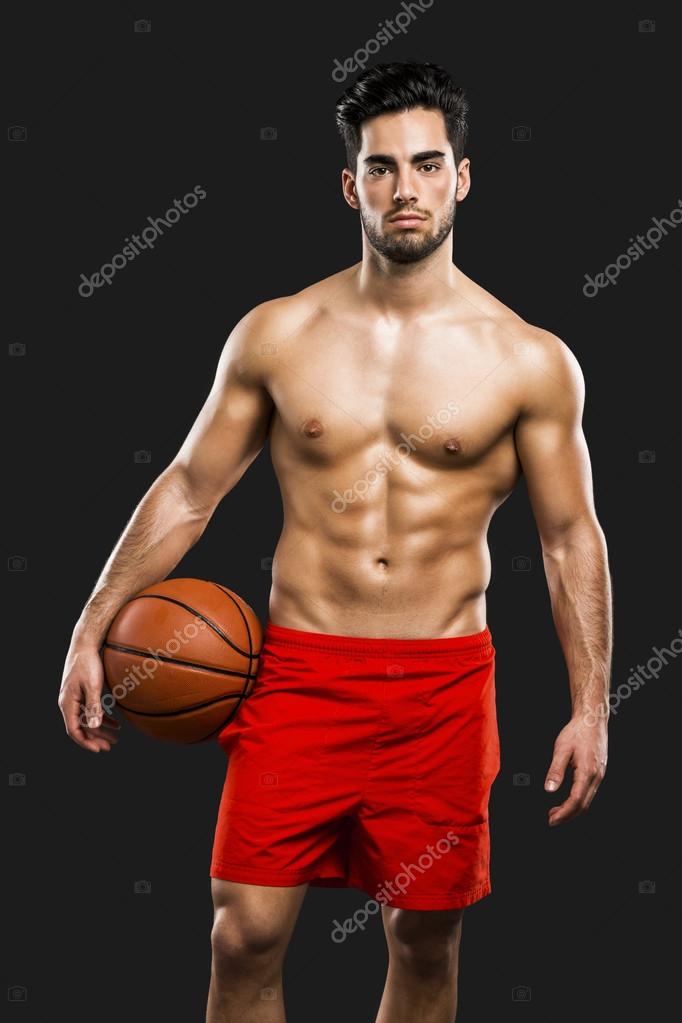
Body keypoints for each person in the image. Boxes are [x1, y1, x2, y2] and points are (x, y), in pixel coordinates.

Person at [58, 61, 612, 1023]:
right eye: (383, 167)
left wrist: (592, 703)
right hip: (299, 674)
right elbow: (191, 488)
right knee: (243, 934)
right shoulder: (277, 335)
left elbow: (569, 539)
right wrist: (89, 626)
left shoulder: (529, 358)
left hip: (442, 687)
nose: (407, 189)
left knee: (426, 938)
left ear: (463, 178)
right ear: (350, 184)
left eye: (428, 165)